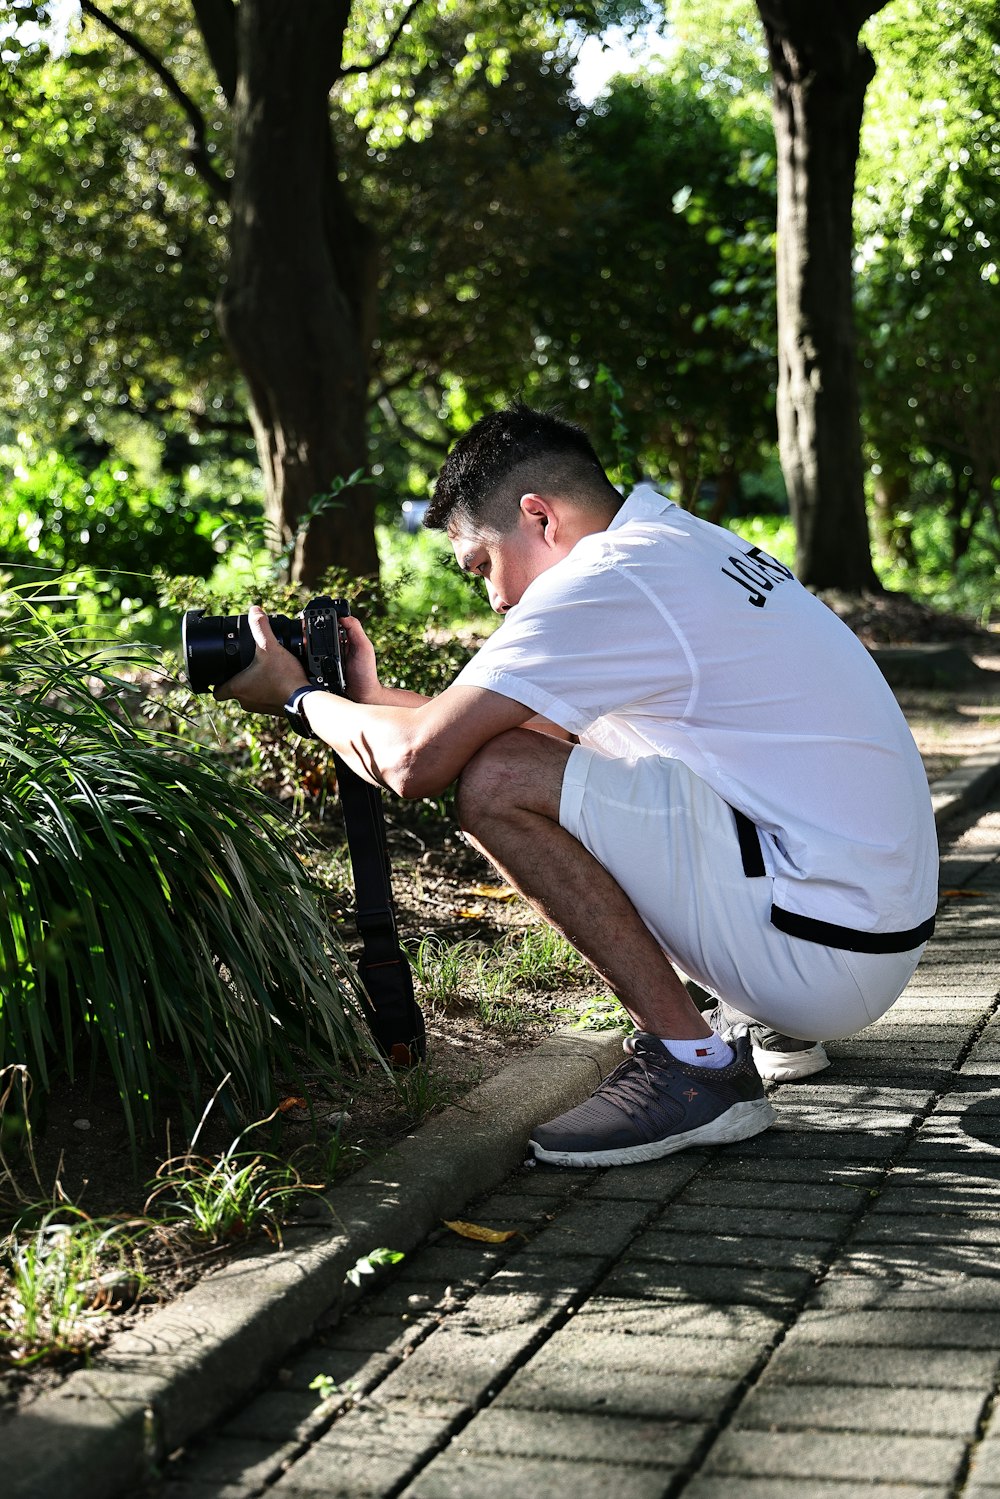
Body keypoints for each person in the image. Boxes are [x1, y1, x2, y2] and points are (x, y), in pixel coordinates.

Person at [215, 403, 938, 1169]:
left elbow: (416, 764)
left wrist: (298, 698)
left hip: (822, 951)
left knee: (495, 784)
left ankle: (693, 1070)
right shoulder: (672, 542)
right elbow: (525, 735)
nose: (493, 599)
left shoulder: (608, 577)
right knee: (530, 754)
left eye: (483, 566)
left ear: (538, 516)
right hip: (858, 927)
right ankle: (771, 1021)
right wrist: (370, 698)